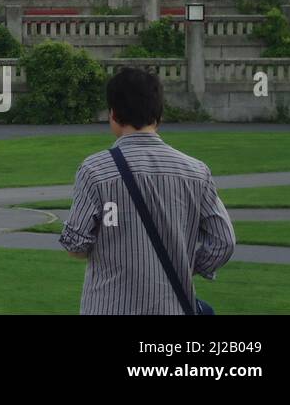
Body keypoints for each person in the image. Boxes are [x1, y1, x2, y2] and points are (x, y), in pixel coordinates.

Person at [59, 68, 234, 314]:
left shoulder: (95, 170)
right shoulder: (196, 172)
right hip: (171, 306)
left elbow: (75, 244)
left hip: (108, 306)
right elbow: (223, 241)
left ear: (113, 114)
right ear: (158, 114)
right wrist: (183, 267)